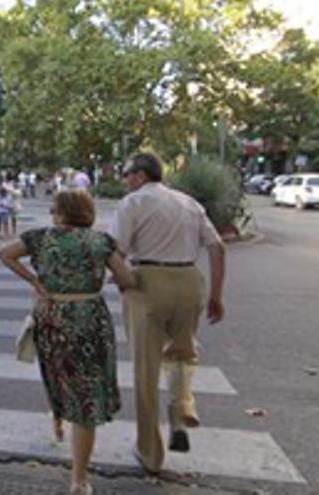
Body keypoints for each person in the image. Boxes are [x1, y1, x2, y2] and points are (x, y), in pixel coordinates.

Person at [0, 190, 136, 495]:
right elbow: (127, 280)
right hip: (89, 320)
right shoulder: (100, 242)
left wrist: (35, 280)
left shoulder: (40, 237)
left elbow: (4, 253)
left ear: (60, 212)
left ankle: (58, 420)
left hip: (51, 317)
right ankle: (78, 480)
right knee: (86, 393)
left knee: (58, 372)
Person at [110, 152, 226, 475]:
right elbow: (217, 248)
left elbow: (114, 252)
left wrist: (123, 281)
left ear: (139, 175)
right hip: (189, 280)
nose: (123, 180)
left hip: (147, 280)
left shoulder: (132, 204)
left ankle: (151, 453)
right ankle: (181, 408)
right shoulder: (189, 203)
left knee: (146, 370)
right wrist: (217, 295)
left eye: (125, 173)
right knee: (182, 352)